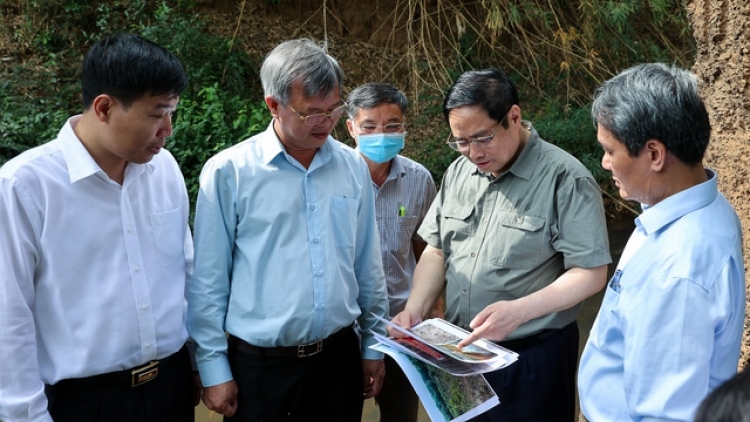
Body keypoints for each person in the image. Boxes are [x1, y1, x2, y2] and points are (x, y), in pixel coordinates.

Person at [389, 67, 611, 421]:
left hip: (532, 359)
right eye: (461, 142)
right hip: (458, 352)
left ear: (514, 117)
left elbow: (590, 273)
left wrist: (519, 311)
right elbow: (436, 250)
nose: (473, 153)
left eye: (482, 138)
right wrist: (416, 309)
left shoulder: (565, 178)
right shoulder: (459, 172)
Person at [187, 39, 389, 421]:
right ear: (273, 105)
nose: (326, 123)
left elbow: (367, 264)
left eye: (334, 110)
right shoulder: (230, 173)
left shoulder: (352, 167)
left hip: (339, 361)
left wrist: (372, 348)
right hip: (262, 370)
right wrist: (212, 367)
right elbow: (209, 280)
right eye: (312, 112)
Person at [0, 33, 195, 422]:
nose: (168, 129)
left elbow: (184, 271)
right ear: (104, 107)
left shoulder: (165, 170)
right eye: (157, 114)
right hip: (83, 403)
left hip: (170, 389)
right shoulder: (24, 186)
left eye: (172, 112)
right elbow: (9, 314)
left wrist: (197, 365)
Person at [577, 63, 746, 422]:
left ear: (654, 154)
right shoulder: (694, 203)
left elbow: (665, 415)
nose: (605, 163)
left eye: (610, 150)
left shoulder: (678, 271)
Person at [345, 82, 438, 422]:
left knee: (401, 414)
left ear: (404, 128)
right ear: (351, 127)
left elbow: (427, 250)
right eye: (369, 126)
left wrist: (432, 318)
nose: (380, 134)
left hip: (404, 323)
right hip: (345, 329)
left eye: (392, 126)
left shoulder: (419, 179)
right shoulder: (333, 180)